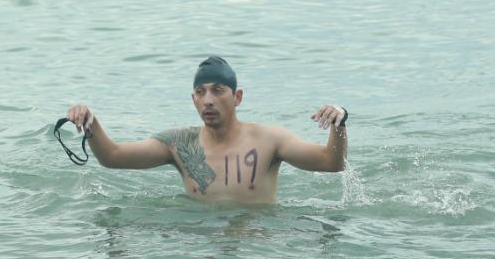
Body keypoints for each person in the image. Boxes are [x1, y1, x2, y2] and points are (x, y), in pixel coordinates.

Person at [65, 56, 347, 205]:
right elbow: (113, 157)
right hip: (200, 246)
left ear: (237, 97)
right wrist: (91, 123)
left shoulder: (269, 140)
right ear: (193, 100)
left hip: (259, 243)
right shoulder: (180, 144)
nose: (208, 99)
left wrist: (339, 122)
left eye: (217, 90)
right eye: (200, 92)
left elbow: (331, 163)